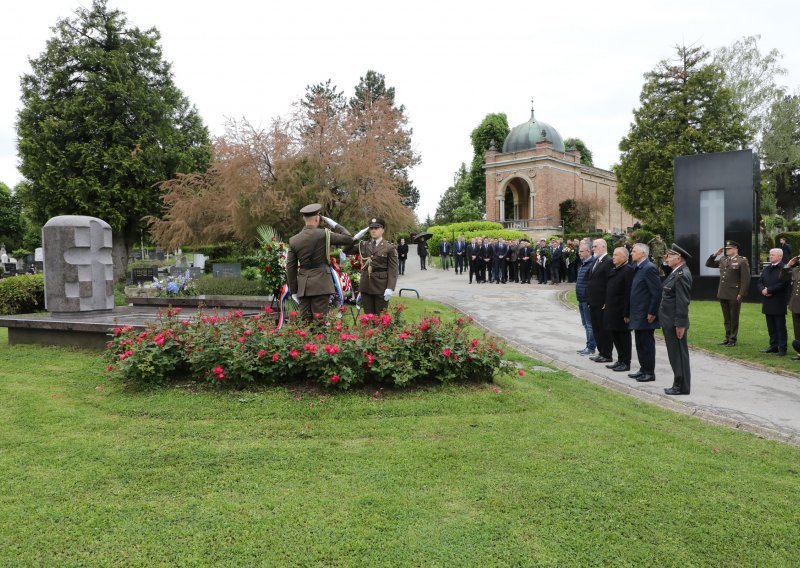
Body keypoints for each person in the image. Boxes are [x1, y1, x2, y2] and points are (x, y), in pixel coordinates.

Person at [286, 203, 359, 321]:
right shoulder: (324, 234)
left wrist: (294, 290)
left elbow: (290, 267)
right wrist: (334, 224)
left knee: (305, 323)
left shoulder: (294, 240)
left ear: (304, 219)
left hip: (303, 287)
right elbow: (348, 239)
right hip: (321, 284)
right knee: (319, 323)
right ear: (317, 218)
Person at [346, 217, 398, 315]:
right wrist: (355, 238)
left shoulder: (389, 247)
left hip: (381, 286)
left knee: (380, 317)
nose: (373, 230)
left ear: (382, 230)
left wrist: (390, 287)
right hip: (366, 285)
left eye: (376, 228)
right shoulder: (364, 245)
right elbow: (346, 250)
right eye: (371, 228)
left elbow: (393, 269)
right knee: (368, 317)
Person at [660, 243, 693, 395]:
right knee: (675, 354)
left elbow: (682, 301)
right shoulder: (675, 272)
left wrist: (680, 324)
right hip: (669, 320)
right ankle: (679, 384)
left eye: (670, 256)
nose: (667, 258)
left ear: (678, 258)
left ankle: (681, 386)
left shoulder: (681, 275)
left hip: (675, 322)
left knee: (678, 354)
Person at [705, 240, 751, 346]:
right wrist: (715, 254)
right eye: (726, 249)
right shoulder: (723, 259)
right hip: (723, 292)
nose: (727, 250)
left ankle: (732, 339)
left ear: (735, 249)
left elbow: (746, 279)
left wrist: (741, 293)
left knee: (733, 317)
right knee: (726, 317)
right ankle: (727, 337)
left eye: (729, 249)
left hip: (735, 293)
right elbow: (708, 264)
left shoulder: (742, 261)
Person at [628, 243, 662, 382]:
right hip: (637, 312)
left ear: (643, 253)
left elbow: (657, 292)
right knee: (640, 343)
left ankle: (649, 372)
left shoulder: (649, 268)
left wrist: (652, 312)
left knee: (647, 344)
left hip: (646, 313)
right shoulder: (637, 267)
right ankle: (643, 369)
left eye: (634, 251)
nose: (631, 253)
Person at [603, 247, 634, 372]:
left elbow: (628, 293)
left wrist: (627, 312)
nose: (613, 257)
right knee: (614, 335)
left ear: (624, 257)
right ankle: (620, 360)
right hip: (612, 309)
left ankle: (626, 362)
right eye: (613, 254)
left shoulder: (628, 270)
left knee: (623, 337)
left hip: (621, 310)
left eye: (616, 255)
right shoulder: (615, 269)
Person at [588, 238, 614, 364]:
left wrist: (607, 301)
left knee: (604, 329)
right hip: (593, 301)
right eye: (593, 246)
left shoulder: (608, 261)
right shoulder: (596, 261)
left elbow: (610, 283)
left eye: (595, 246)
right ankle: (601, 352)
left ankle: (607, 353)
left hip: (602, 302)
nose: (593, 249)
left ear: (603, 247)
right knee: (596, 328)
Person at [758, 248, 789, 356]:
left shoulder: (784, 268)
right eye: (770, 254)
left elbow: (783, 284)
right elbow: (760, 281)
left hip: (778, 301)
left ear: (780, 256)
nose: (770, 256)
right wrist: (763, 290)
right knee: (771, 326)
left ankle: (782, 348)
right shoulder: (767, 268)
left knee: (780, 326)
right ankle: (773, 346)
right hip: (767, 301)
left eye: (773, 254)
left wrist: (769, 290)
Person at [574, 242, 596, 356]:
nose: (579, 253)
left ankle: (591, 347)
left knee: (589, 324)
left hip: (586, 299)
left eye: (581, 251)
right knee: (585, 324)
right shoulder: (583, 264)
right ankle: (588, 345)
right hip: (580, 298)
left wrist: (588, 298)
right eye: (579, 252)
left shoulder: (592, 264)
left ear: (588, 251)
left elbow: (592, 284)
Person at [780, 255, 800, 360]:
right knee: (797, 329)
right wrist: (789, 265)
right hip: (796, 304)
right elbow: (782, 278)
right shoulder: (796, 270)